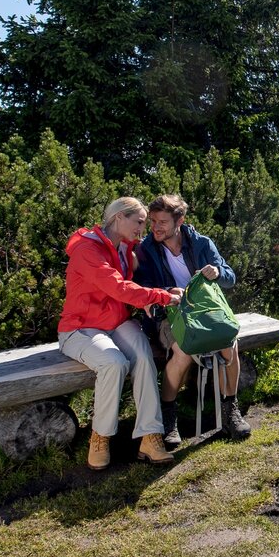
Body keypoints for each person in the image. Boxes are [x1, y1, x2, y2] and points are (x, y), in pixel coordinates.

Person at [58, 197, 181, 470]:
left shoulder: (125, 247)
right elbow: (117, 287)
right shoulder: (87, 249)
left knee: (144, 357)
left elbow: (137, 281)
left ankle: (150, 436)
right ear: (118, 218)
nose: (142, 228)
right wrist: (160, 297)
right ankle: (100, 437)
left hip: (117, 323)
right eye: (139, 222)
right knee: (114, 363)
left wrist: (160, 292)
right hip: (80, 328)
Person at [134, 194, 250, 445]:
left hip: (206, 310)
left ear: (180, 221)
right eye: (153, 221)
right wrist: (166, 293)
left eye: (162, 222)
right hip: (169, 313)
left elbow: (229, 278)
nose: (155, 227)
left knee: (229, 343)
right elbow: (141, 287)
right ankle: (168, 416)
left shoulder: (201, 244)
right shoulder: (145, 249)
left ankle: (229, 409)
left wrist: (217, 272)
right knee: (183, 350)